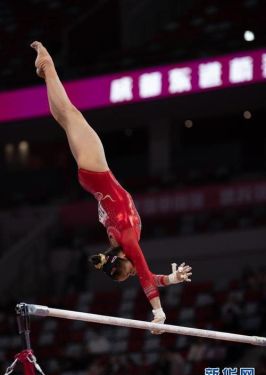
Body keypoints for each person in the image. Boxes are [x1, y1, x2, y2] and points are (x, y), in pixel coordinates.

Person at [31, 41, 192, 332]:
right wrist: (173, 280)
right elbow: (149, 276)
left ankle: (47, 65)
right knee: (64, 117)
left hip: (97, 171)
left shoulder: (127, 239)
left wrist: (158, 313)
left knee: (68, 113)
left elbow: (143, 275)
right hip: (92, 177)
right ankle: (46, 71)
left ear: (121, 260)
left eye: (126, 272)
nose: (133, 273)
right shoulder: (119, 241)